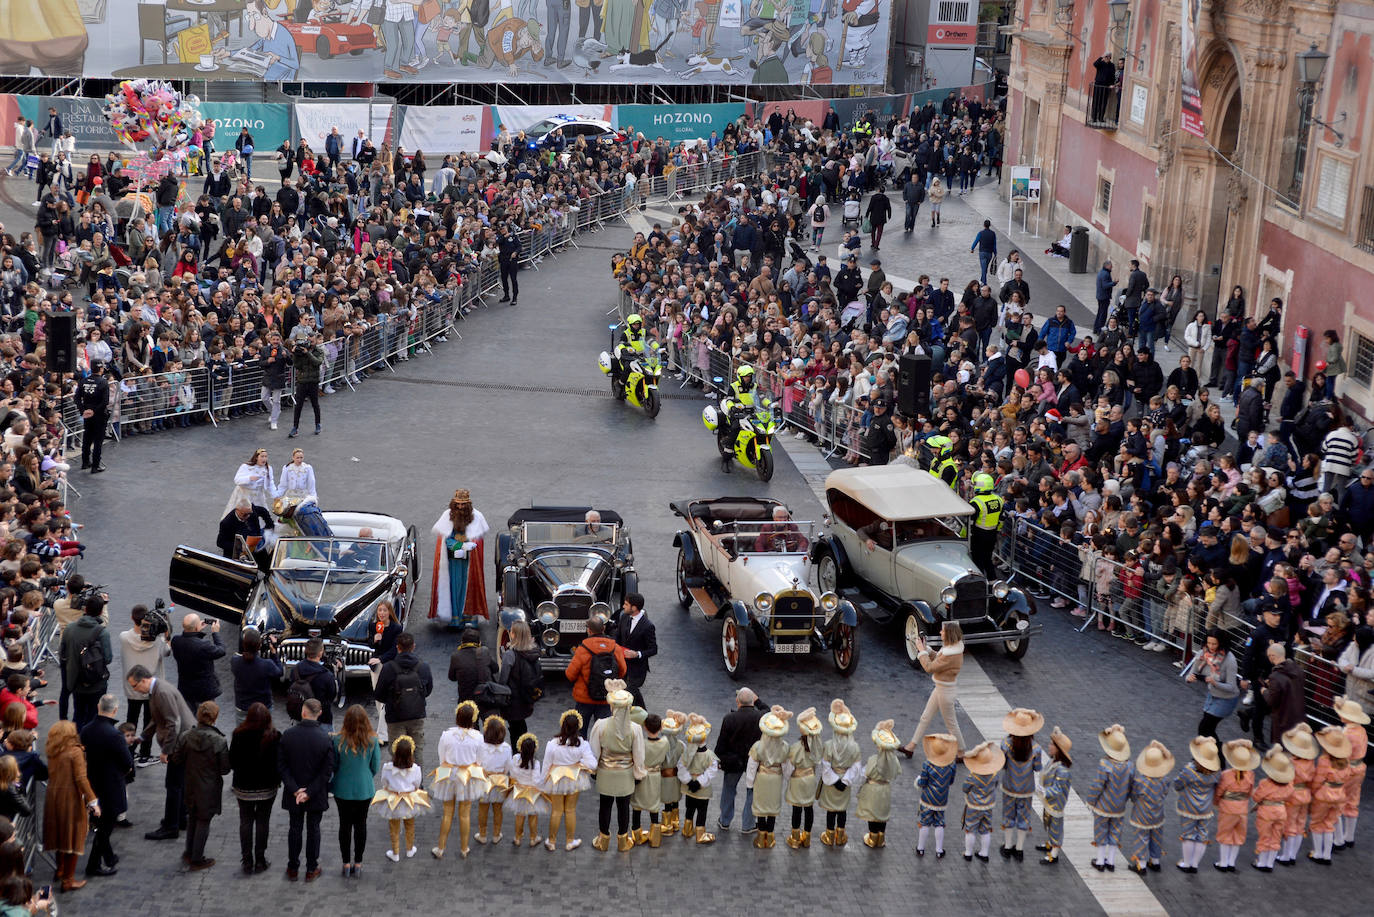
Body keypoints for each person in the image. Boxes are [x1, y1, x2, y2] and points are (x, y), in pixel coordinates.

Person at [128, 664, 195, 842]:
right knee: (178, 783)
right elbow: (157, 718)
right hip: (182, 741)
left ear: (144, 680)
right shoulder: (157, 690)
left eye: (134, 685)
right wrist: (142, 737)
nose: (134, 690)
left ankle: (171, 826)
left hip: (180, 744)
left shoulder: (162, 693)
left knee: (173, 785)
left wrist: (166, 751)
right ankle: (180, 818)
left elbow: (173, 723)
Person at [278, 698, 337, 882]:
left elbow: (282, 766)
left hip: (293, 793)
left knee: (294, 828)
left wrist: (296, 790)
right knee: (313, 829)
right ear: (319, 713)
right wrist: (309, 792)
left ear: (303, 712)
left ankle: (293, 867)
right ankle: (311, 868)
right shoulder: (325, 739)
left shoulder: (288, 735)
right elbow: (327, 771)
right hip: (316, 794)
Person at [171, 701, 230, 871]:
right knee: (204, 821)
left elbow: (176, 758)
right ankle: (197, 858)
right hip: (209, 787)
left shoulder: (186, 736)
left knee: (193, 818)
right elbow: (225, 769)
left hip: (190, 784)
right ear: (215, 717)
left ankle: (189, 852)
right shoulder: (219, 740)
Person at [79, 694, 133, 879]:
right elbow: (127, 762)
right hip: (110, 785)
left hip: (93, 783)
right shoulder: (114, 735)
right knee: (106, 827)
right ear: (115, 710)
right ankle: (93, 865)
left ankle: (109, 857)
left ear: (98, 706)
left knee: (101, 823)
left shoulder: (86, 729)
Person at [588, 679, 646, 852]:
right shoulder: (635, 729)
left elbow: (594, 751)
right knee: (623, 807)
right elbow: (639, 755)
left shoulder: (601, 725)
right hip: (626, 774)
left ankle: (603, 840)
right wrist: (638, 773)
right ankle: (623, 841)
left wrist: (594, 770)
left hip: (605, 772)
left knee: (604, 806)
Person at [41, 721, 97, 893]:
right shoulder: (75, 751)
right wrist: (93, 800)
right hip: (70, 798)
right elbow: (81, 778)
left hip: (53, 797)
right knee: (73, 836)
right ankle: (68, 880)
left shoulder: (52, 750)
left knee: (59, 834)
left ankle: (60, 870)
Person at [429, 700, 486, 859]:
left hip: (449, 775)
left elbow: (441, 758)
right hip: (467, 777)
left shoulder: (446, 735)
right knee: (465, 814)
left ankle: (440, 848)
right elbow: (479, 761)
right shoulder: (478, 737)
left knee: (447, 813)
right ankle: (464, 848)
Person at [229, 702, 281, 875]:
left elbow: (232, 761)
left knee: (245, 821)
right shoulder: (274, 736)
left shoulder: (238, 734)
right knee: (262, 821)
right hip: (267, 786)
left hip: (243, 786)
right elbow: (279, 763)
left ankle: (247, 860)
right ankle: (260, 859)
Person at [902, 621, 966, 755]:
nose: (940, 632)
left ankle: (961, 752)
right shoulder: (952, 650)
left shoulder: (950, 654)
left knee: (951, 723)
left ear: (948, 634)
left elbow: (930, 667)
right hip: (942, 688)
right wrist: (927, 650)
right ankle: (911, 747)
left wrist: (921, 651)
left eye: (943, 631)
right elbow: (939, 659)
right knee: (925, 717)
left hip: (944, 692)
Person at [331, 704, 380, 878]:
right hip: (364, 789)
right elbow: (375, 766)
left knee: (344, 825)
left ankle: (346, 863)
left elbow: (334, 765)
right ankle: (358, 863)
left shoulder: (338, 740)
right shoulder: (372, 741)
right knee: (361, 825)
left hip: (342, 789)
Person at [428, 489, 490, 625]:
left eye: (463, 504)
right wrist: (459, 546)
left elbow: (477, 540)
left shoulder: (477, 517)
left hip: (469, 562)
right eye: (458, 504)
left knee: (467, 587)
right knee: (453, 587)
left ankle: (468, 616)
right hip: (451, 561)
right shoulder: (447, 516)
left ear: (468, 504)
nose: (460, 507)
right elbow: (444, 540)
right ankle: (454, 618)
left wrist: (470, 546)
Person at [120, 605, 170, 764]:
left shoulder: (124, 637)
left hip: (132, 688)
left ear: (132, 618)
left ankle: (129, 751)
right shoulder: (158, 642)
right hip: (151, 689)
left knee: (131, 719)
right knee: (150, 723)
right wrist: (166, 634)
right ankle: (145, 754)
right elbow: (168, 651)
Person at [543, 709, 597, 851]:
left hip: (556, 779)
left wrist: (541, 783)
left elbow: (546, 765)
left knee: (556, 811)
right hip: (574, 779)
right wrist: (579, 764)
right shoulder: (582, 744)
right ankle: (569, 841)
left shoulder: (553, 744)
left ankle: (552, 841)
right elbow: (593, 764)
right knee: (570, 810)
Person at [715, 686, 766, 835]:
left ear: (737, 702)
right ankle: (748, 824)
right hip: (753, 761)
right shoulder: (761, 717)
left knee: (729, 789)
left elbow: (721, 745)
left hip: (733, 761)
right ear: (752, 702)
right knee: (752, 792)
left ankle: (724, 820)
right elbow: (768, 710)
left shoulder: (729, 718)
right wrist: (758, 700)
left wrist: (720, 760)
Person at [375, 633, 432, 763]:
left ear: (398, 647)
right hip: (417, 715)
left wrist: (391, 700)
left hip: (395, 717)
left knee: (397, 752)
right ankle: (417, 776)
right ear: (413, 646)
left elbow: (379, 694)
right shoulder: (423, 666)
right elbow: (428, 690)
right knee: (417, 751)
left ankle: (399, 775)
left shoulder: (388, 668)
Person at [564, 615, 627, 732]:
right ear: (604, 628)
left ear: (589, 630)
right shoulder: (615, 648)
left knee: (580, 732)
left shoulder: (582, 649)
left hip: (584, 699)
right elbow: (623, 671)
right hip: (606, 697)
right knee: (603, 733)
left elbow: (570, 675)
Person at [59, 594, 111, 732]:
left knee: (79, 713)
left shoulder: (69, 629)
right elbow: (108, 658)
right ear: (101, 611)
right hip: (96, 681)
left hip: (76, 680)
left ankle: (76, 740)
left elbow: (62, 653)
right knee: (93, 715)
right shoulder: (102, 633)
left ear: (85, 609)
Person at [1085, 723, 1133, 871]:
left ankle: (1100, 861)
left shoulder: (1105, 764)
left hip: (1103, 806)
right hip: (1119, 807)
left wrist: (1091, 801)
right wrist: (1125, 799)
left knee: (1101, 830)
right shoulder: (1129, 766)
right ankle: (1111, 862)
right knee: (1115, 831)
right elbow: (1131, 786)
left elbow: (1098, 785)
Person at [998, 708, 1044, 860]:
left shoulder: (1006, 744)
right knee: (1024, 817)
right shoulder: (1036, 748)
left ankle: (1007, 846)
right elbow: (1037, 768)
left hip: (1009, 786)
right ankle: (1019, 849)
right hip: (1026, 789)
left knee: (1008, 815)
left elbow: (1002, 765)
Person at [376, 736, 428, 863]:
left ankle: (395, 852)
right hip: (409, 800)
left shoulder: (387, 767)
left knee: (394, 827)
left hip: (393, 800)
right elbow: (417, 784)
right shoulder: (415, 769)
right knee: (410, 825)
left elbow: (384, 782)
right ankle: (409, 849)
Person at [1125, 739, 1174, 874]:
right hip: (1158, 813)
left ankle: (1141, 865)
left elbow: (1134, 796)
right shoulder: (1165, 779)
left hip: (1142, 814)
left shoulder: (1140, 781)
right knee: (1156, 836)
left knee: (1141, 837)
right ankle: (1155, 861)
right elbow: (1165, 793)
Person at [818, 698, 861, 848]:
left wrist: (835, 780)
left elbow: (825, 765)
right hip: (845, 782)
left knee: (831, 810)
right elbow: (856, 767)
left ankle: (829, 836)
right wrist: (845, 781)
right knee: (842, 810)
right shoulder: (855, 747)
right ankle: (840, 836)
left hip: (831, 781)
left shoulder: (829, 745)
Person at [1173, 735, 1220, 872]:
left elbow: (1177, 784)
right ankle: (1195, 864)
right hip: (1206, 809)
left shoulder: (1189, 770)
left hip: (1188, 808)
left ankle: (1186, 863)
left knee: (1188, 835)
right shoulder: (1215, 772)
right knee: (1202, 835)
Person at [1307, 725, 1352, 864]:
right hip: (1339, 795)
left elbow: (1318, 780)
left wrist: (1312, 794)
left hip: (1324, 795)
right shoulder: (1346, 760)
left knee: (1316, 823)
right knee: (1329, 824)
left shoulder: (1324, 760)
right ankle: (1327, 855)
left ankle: (1318, 853)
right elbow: (1347, 778)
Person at [1185, 629, 1240, 739]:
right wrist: (1189, 678)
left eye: (1214, 644)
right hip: (1212, 695)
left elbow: (1231, 687)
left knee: (1205, 728)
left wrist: (1215, 682)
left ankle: (1215, 749)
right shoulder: (1202, 654)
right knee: (1207, 730)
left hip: (1227, 698)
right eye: (1208, 643)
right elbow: (1191, 672)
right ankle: (1213, 749)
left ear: (1221, 643)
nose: (1211, 646)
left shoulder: (1230, 659)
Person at [1214, 738, 1259, 871]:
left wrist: (1216, 802)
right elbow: (1250, 792)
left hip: (1227, 807)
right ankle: (1231, 862)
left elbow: (1219, 791)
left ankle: (1223, 862)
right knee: (1238, 836)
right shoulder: (1250, 774)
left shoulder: (1226, 775)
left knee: (1225, 834)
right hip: (1242, 808)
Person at [856, 719, 902, 849]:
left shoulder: (873, 759)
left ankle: (872, 838)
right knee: (882, 814)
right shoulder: (894, 761)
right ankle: (881, 838)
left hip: (873, 789)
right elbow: (897, 772)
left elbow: (865, 773)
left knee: (872, 814)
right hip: (885, 789)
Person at [914, 731, 958, 858]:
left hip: (927, 798)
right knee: (939, 823)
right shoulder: (951, 765)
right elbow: (951, 782)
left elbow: (923, 783)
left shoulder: (927, 764)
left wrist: (918, 781)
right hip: (942, 800)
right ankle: (939, 850)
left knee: (924, 822)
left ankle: (920, 848)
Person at [498, 620, 543, 744]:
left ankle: (518, 751)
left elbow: (503, 680)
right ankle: (525, 747)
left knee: (515, 730)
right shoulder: (533, 651)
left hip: (513, 701)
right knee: (521, 725)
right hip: (527, 697)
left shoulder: (510, 655)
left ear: (513, 634)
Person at [171, 613, 225, 715]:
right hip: (203, 692)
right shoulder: (203, 645)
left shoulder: (176, 641)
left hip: (185, 690)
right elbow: (221, 650)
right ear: (196, 627)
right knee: (206, 718)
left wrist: (196, 630)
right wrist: (215, 633)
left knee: (189, 719)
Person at [1251, 746, 1295, 871]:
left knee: (1265, 836)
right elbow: (1290, 795)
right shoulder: (1289, 784)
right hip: (1281, 811)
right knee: (1276, 837)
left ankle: (1261, 862)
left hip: (1266, 811)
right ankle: (1270, 863)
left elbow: (1256, 797)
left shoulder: (1265, 783)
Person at [960, 740, 1004, 862]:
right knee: (986, 829)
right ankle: (984, 853)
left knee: (970, 829)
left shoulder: (973, 776)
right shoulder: (994, 774)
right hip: (988, 806)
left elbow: (965, 788)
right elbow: (996, 785)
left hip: (974, 806)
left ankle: (968, 853)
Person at [1332, 696, 1368, 847]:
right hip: (1360, 768)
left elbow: (1340, 753)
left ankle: (1338, 839)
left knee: (1336, 801)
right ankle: (1349, 837)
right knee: (1352, 800)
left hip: (1347, 769)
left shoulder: (1348, 734)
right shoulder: (1361, 730)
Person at [678, 713, 718, 845]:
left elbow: (681, 767)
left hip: (689, 788)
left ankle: (687, 829)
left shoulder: (686, 754)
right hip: (703, 790)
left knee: (689, 808)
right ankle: (700, 834)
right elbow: (712, 771)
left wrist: (689, 781)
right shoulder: (710, 755)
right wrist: (700, 782)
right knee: (702, 810)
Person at [612, 592, 656, 708]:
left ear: (634, 608)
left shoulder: (647, 626)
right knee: (628, 692)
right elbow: (618, 636)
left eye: (626, 604)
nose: (623, 606)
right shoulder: (624, 617)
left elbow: (653, 649)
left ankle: (641, 713)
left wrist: (637, 654)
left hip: (637, 669)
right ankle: (641, 713)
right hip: (622, 665)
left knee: (630, 691)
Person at [1038, 727, 1073, 865]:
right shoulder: (1052, 762)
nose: (1049, 746)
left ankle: (1054, 853)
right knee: (1049, 822)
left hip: (1056, 803)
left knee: (1055, 827)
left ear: (1058, 749)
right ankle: (1051, 843)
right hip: (1049, 801)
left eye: (1052, 744)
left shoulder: (1062, 770)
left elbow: (1058, 789)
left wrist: (1045, 791)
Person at [231, 630, 282, 724]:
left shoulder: (235, 661)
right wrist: (274, 653)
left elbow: (241, 656)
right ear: (259, 646)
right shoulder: (267, 665)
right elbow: (279, 672)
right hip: (263, 708)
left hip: (242, 707)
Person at [507, 733, 549, 848]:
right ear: (534, 750)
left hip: (519, 791)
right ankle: (533, 838)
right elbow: (536, 781)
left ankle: (517, 838)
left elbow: (512, 773)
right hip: (532, 794)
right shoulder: (535, 763)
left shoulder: (515, 758)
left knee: (519, 815)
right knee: (533, 816)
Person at [717, 364, 759, 473]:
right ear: (740, 377)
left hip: (751, 413)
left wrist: (770, 404)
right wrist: (732, 407)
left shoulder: (754, 386)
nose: (748, 378)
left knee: (760, 429)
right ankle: (726, 460)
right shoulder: (734, 386)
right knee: (735, 431)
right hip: (737, 414)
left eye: (749, 376)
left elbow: (762, 398)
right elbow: (729, 400)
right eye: (745, 377)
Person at [1260, 644, 1306, 744]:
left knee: (1284, 747)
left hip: (1283, 720)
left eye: (1269, 656)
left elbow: (1271, 700)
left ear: (1272, 656)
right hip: (1299, 716)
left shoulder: (1275, 676)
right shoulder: (1298, 669)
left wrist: (1264, 691)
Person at [291, 638, 338, 726]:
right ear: (320, 653)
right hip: (322, 719)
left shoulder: (295, 669)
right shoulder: (326, 675)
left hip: (301, 715)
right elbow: (332, 696)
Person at [448, 626, 497, 707]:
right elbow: (495, 669)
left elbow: (452, 677)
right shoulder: (484, 653)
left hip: (466, 699)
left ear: (462, 642)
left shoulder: (455, 656)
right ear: (479, 642)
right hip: (484, 696)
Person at [288, 333, 325, 437]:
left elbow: (317, 362)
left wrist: (308, 353)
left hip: (313, 381)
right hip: (302, 381)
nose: (310, 343)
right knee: (298, 406)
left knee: (315, 404)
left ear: (316, 341)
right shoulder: (301, 351)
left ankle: (318, 424)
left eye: (312, 341)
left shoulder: (319, 351)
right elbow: (297, 365)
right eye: (309, 341)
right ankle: (295, 427)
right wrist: (295, 354)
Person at [76, 361, 110, 473]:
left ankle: (85, 462)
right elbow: (105, 401)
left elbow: (77, 398)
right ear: (101, 369)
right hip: (99, 415)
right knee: (98, 441)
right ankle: (95, 465)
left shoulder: (83, 381)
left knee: (87, 438)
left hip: (87, 414)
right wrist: (94, 411)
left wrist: (83, 411)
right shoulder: (103, 382)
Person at [225, 449, 277, 518]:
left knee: (262, 516)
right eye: (262, 456)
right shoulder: (246, 467)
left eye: (265, 456)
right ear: (256, 457)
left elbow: (270, 484)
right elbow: (237, 480)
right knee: (244, 516)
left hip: (259, 497)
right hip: (245, 497)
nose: (264, 459)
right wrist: (249, 478)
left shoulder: (268, 469)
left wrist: (275, 496)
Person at [969, 474, 1003, 576]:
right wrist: (997, 530)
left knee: (977, 559)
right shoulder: (998, 499)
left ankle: (980, 580)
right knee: (987, 558)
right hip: (993, 533)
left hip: (978, 534)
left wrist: (967, 534)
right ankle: (992, 580)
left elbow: (971, 522)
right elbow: (1002, 518)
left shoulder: (976, 502)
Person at [970, 219, 997, 285]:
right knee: (985, 268)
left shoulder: (980, 233)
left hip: (982, 253)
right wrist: (995, 253)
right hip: (989, 253)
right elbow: (994, 244)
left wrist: (972, 248)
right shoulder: (993, 234)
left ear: (984, 225)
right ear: (990, 225)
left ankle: (984, 283)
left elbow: (976, 241)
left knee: (984, 269)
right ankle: (982, 280)